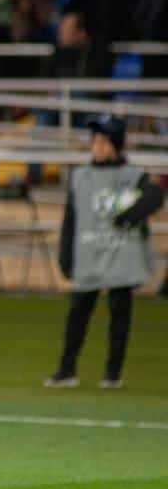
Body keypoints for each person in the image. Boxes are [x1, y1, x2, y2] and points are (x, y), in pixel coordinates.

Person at [45, 115, 164, 389]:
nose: (96, 146)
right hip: (89, 255)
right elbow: (70, 219)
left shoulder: (131, 175)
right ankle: (66, 370)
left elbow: (155, 196)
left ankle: (112, 373)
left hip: (120, 255)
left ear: (116, 145)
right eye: (94, 140)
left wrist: (129, 215)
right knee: (77, 315)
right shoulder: (80, 177)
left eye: (103, 140)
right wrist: (65, 255)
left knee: (120, 317)